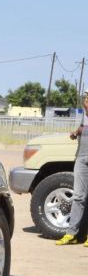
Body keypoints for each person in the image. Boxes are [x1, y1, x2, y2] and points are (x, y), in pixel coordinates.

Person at [55, 92, 88, 246]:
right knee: (79, 197)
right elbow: (83, 127)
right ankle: (72, 234)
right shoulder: (84, 115)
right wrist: (76, 133)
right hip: (82, 158)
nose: (86, 101)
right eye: (86, 98)